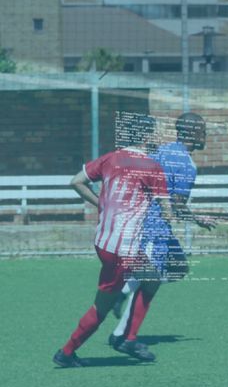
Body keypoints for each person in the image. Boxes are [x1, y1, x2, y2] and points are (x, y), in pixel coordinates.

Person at [53, 115, 179, 367]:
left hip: (104, 241)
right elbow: (167, 211)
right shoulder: (152, 167)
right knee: (102, 305)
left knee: (152, 278)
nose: (157, 138)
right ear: (145, 137)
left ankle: (128, 337)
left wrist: (101, 202)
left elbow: (76, 181)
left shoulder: (111, 158)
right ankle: (67, 352)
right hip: (124, 248)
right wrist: (168, 213)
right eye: (155, 133)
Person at [108, 113, 215, 348]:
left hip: (146, 221)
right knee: (149, 281)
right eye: (203, 131)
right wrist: (198, 219)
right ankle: (121, 335)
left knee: (178, 267)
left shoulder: (163, 151)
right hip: (151, 226)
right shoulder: (186, 165)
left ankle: (124, 292)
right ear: (193, 133)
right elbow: (176, 206)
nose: (205, 135)